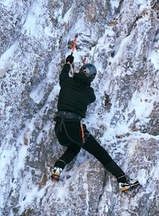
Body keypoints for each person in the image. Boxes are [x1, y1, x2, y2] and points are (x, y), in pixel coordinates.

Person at [51, 53, 140, 193]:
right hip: (74, 127)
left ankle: (58, 166)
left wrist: (69, 62)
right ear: (91, 79)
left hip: (59, 129)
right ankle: (123, 181)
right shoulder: (89, 94)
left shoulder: (66, 82)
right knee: (100, 153)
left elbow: (64, 73)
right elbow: (87, 94)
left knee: (74, 148)